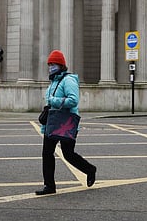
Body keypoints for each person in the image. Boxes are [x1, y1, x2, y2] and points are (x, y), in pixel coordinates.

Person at [36, 50, 97, 195]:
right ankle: (49, 186)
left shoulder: (68, 80)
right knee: (47, 153)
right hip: (52, 122)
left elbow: (73, 100)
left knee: (68, 154)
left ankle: (90, 169)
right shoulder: (53, 81)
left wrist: (53, 101)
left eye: (54, 64)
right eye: (49, 64)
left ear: (61, 65)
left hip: (66, 123)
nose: (51, 67)